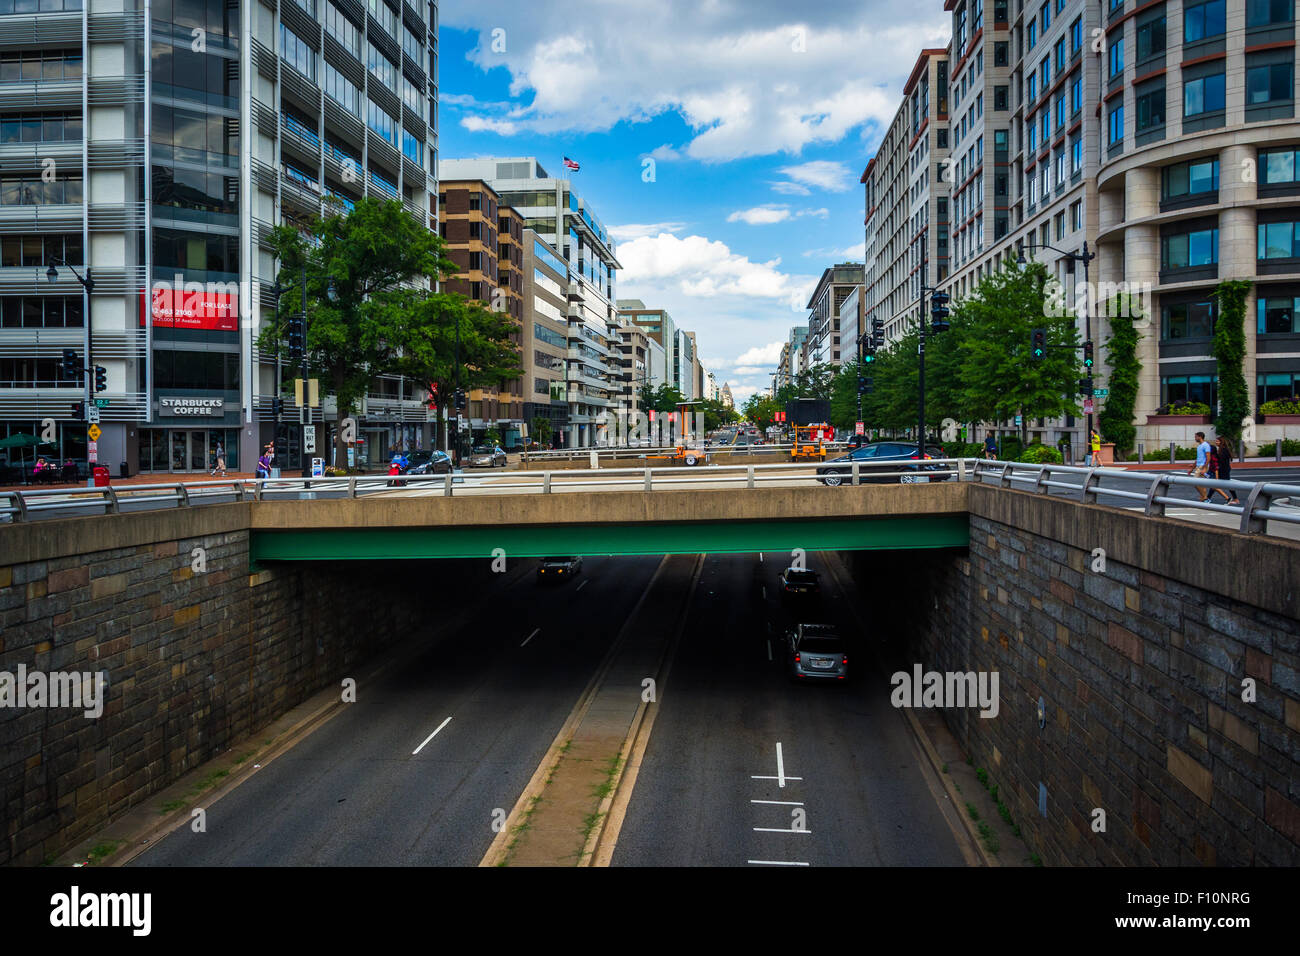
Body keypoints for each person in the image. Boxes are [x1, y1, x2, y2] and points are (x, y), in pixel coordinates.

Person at [1213, 436, 1239, 504]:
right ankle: (1207, 498)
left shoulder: (1223, 450)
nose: (1216, 442)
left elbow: (1222, 461)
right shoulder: (1221, 449)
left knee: (1219, 484)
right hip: (1223, 469)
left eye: (1217, 441)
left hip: (1224, 470)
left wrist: (1218, 468)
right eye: (1216, 441)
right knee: (1215, 484)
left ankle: (1235, 499)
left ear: (1221, 442)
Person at [1190, 431, 1213, 501]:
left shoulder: (1206, 445)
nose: (1195, 438)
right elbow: (1198, 458)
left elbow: (1208, 457)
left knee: (1195, 482)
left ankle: (1205, 497)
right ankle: (1204, 497)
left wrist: (1205, 468)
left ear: (1200, 437)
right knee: (1201, 484)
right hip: (1199, 466)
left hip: (1202, 466)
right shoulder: (1199, 446)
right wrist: (1192, 468)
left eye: (1196, 437)